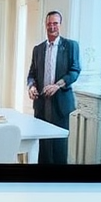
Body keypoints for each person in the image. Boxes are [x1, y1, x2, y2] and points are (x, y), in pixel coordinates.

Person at [26, 9, 80, 165]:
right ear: (45, 25)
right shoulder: (38, 49)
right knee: (43, 145)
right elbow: (31, 75)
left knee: (58, 146)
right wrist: (31, 87)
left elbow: (75, 71)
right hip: (41, 104)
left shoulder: (71, 46)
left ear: (60, 25)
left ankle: (59, 183)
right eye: (49, 24)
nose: (52, 27)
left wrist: (57, 85)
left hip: (61, 104)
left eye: (55, 23)